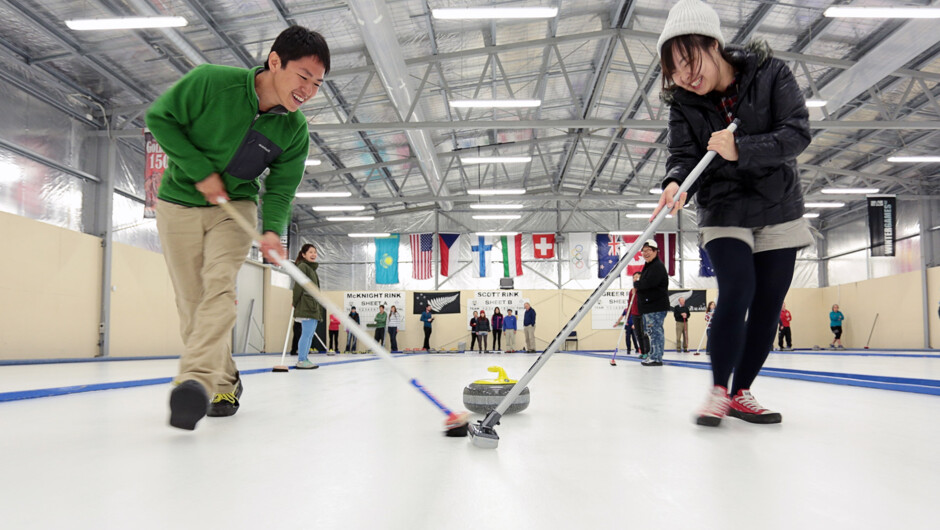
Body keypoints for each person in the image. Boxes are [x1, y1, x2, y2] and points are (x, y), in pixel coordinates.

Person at [148, 25, 330, 430]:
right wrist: (200, 171)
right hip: (178, 203)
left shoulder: (294, 129)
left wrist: (273, 230)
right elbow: (160, 118)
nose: (308, 90)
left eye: (318, 84)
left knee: (219, 287)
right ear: (275, 61)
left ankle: (196, 382)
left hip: (236, 208)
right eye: (303, 76)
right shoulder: (211, 82)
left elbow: (280, 189)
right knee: (191, 303)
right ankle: (226, 379)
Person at [652, 0, 813, 426]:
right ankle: (718, 390)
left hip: (778, 204)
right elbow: (683, 155)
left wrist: (741, 147)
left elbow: (796, 134)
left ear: (713, 45)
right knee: (738, 288)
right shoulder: (684, 103)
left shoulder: (771, 74)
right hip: (723, 205)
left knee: (767, 305)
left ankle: (741, 392)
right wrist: (675, 182)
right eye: (675, 70)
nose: (685, 76)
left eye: (688, 60)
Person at [633, 240, 669, 367]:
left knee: (655, 332)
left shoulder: (657, 266)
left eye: (649, 250)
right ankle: (653, 355)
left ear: (655, 251)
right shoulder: (649, 266)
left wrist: (637, 283)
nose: (646, 253)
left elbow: (648, 283)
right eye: (644, 251)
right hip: (649, 307)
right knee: (651, 332)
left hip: (655, 306)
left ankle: (656, 357)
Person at [291, 244, 324, 370]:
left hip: (313, 306)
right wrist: (294, 302)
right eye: (310, 252)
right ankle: (301, 360)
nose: (313, 254)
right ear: (303, 254)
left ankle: (304, 358)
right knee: (306, 334)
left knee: (309, 335)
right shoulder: (303, 267)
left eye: (315, 252)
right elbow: (298, 286)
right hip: (306, 306)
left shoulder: (311, 269)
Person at [630, 272, 649, 358]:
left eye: (637, 277)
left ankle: (647, 352)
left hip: (642, 314)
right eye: (634, 277)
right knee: (638, 334)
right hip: (634, 314)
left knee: (644, 333)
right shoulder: (632, 291)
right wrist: (628, 316)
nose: (635, 278)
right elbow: (629, 303)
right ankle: (642, 351)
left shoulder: (644, 290)